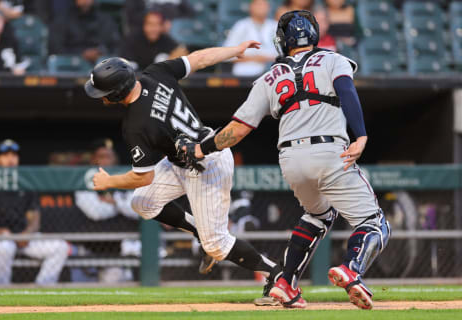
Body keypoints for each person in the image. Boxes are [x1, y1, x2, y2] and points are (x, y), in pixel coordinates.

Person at [177, 10, 390, 309]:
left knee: (318, 215)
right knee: (374, 223)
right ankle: (351, 269)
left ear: (282, 41)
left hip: (290, 158)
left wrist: (201, 149)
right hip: (330, 152)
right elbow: (347, 91)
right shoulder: (333, 59)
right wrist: (362, 135)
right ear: (314, 35)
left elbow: (237, 130)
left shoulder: (269, 76)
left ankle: (285, 283)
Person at [83, 43, 281, 299]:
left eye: (104, 93)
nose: (103, 98)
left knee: (217, 245)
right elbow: (199, 59)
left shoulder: (135, 126)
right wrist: (234, 50)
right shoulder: (154, 73)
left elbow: (143, 176)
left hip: (205, 163)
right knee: (143, 202)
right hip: (181, 158)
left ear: (117, 93)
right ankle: (201, 232)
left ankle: (276, 274)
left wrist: (109, 181)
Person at [0, 139, 69, 285]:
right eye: (5, 155)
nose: (11, 159)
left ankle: (42, 288)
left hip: (22, 236)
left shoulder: (25, 184)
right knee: (5, 248)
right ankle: (2, 291)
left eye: (14, 155)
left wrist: (27, 233)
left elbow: (34, 218)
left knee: (60, 247)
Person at [49, 0, 120, 63]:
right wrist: (81, 54)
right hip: (70, 68)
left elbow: (114, 46)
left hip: (101, 67)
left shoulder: (105, 20)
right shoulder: (62, 20)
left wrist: (100, 52)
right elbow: (56, 48)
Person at [223, 0, 278, 77]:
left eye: (264, 5)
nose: (261, 7)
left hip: (272, 72)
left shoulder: (275, 26)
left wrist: (264, 58)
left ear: (269, 8)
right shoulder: (241, 25)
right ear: (251, 7)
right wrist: (254, 58)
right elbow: (228, 54)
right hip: (244, 72)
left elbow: (283, 53)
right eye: (258, 5)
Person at [121, 11, 188, 71]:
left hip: (158, 79)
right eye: (150, 24)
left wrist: (171, 59)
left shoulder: (165, 39)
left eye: (157, 25)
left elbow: (181, 51)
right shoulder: (132, 39)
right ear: (144, 26)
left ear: (162, 27)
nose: (153, 29)